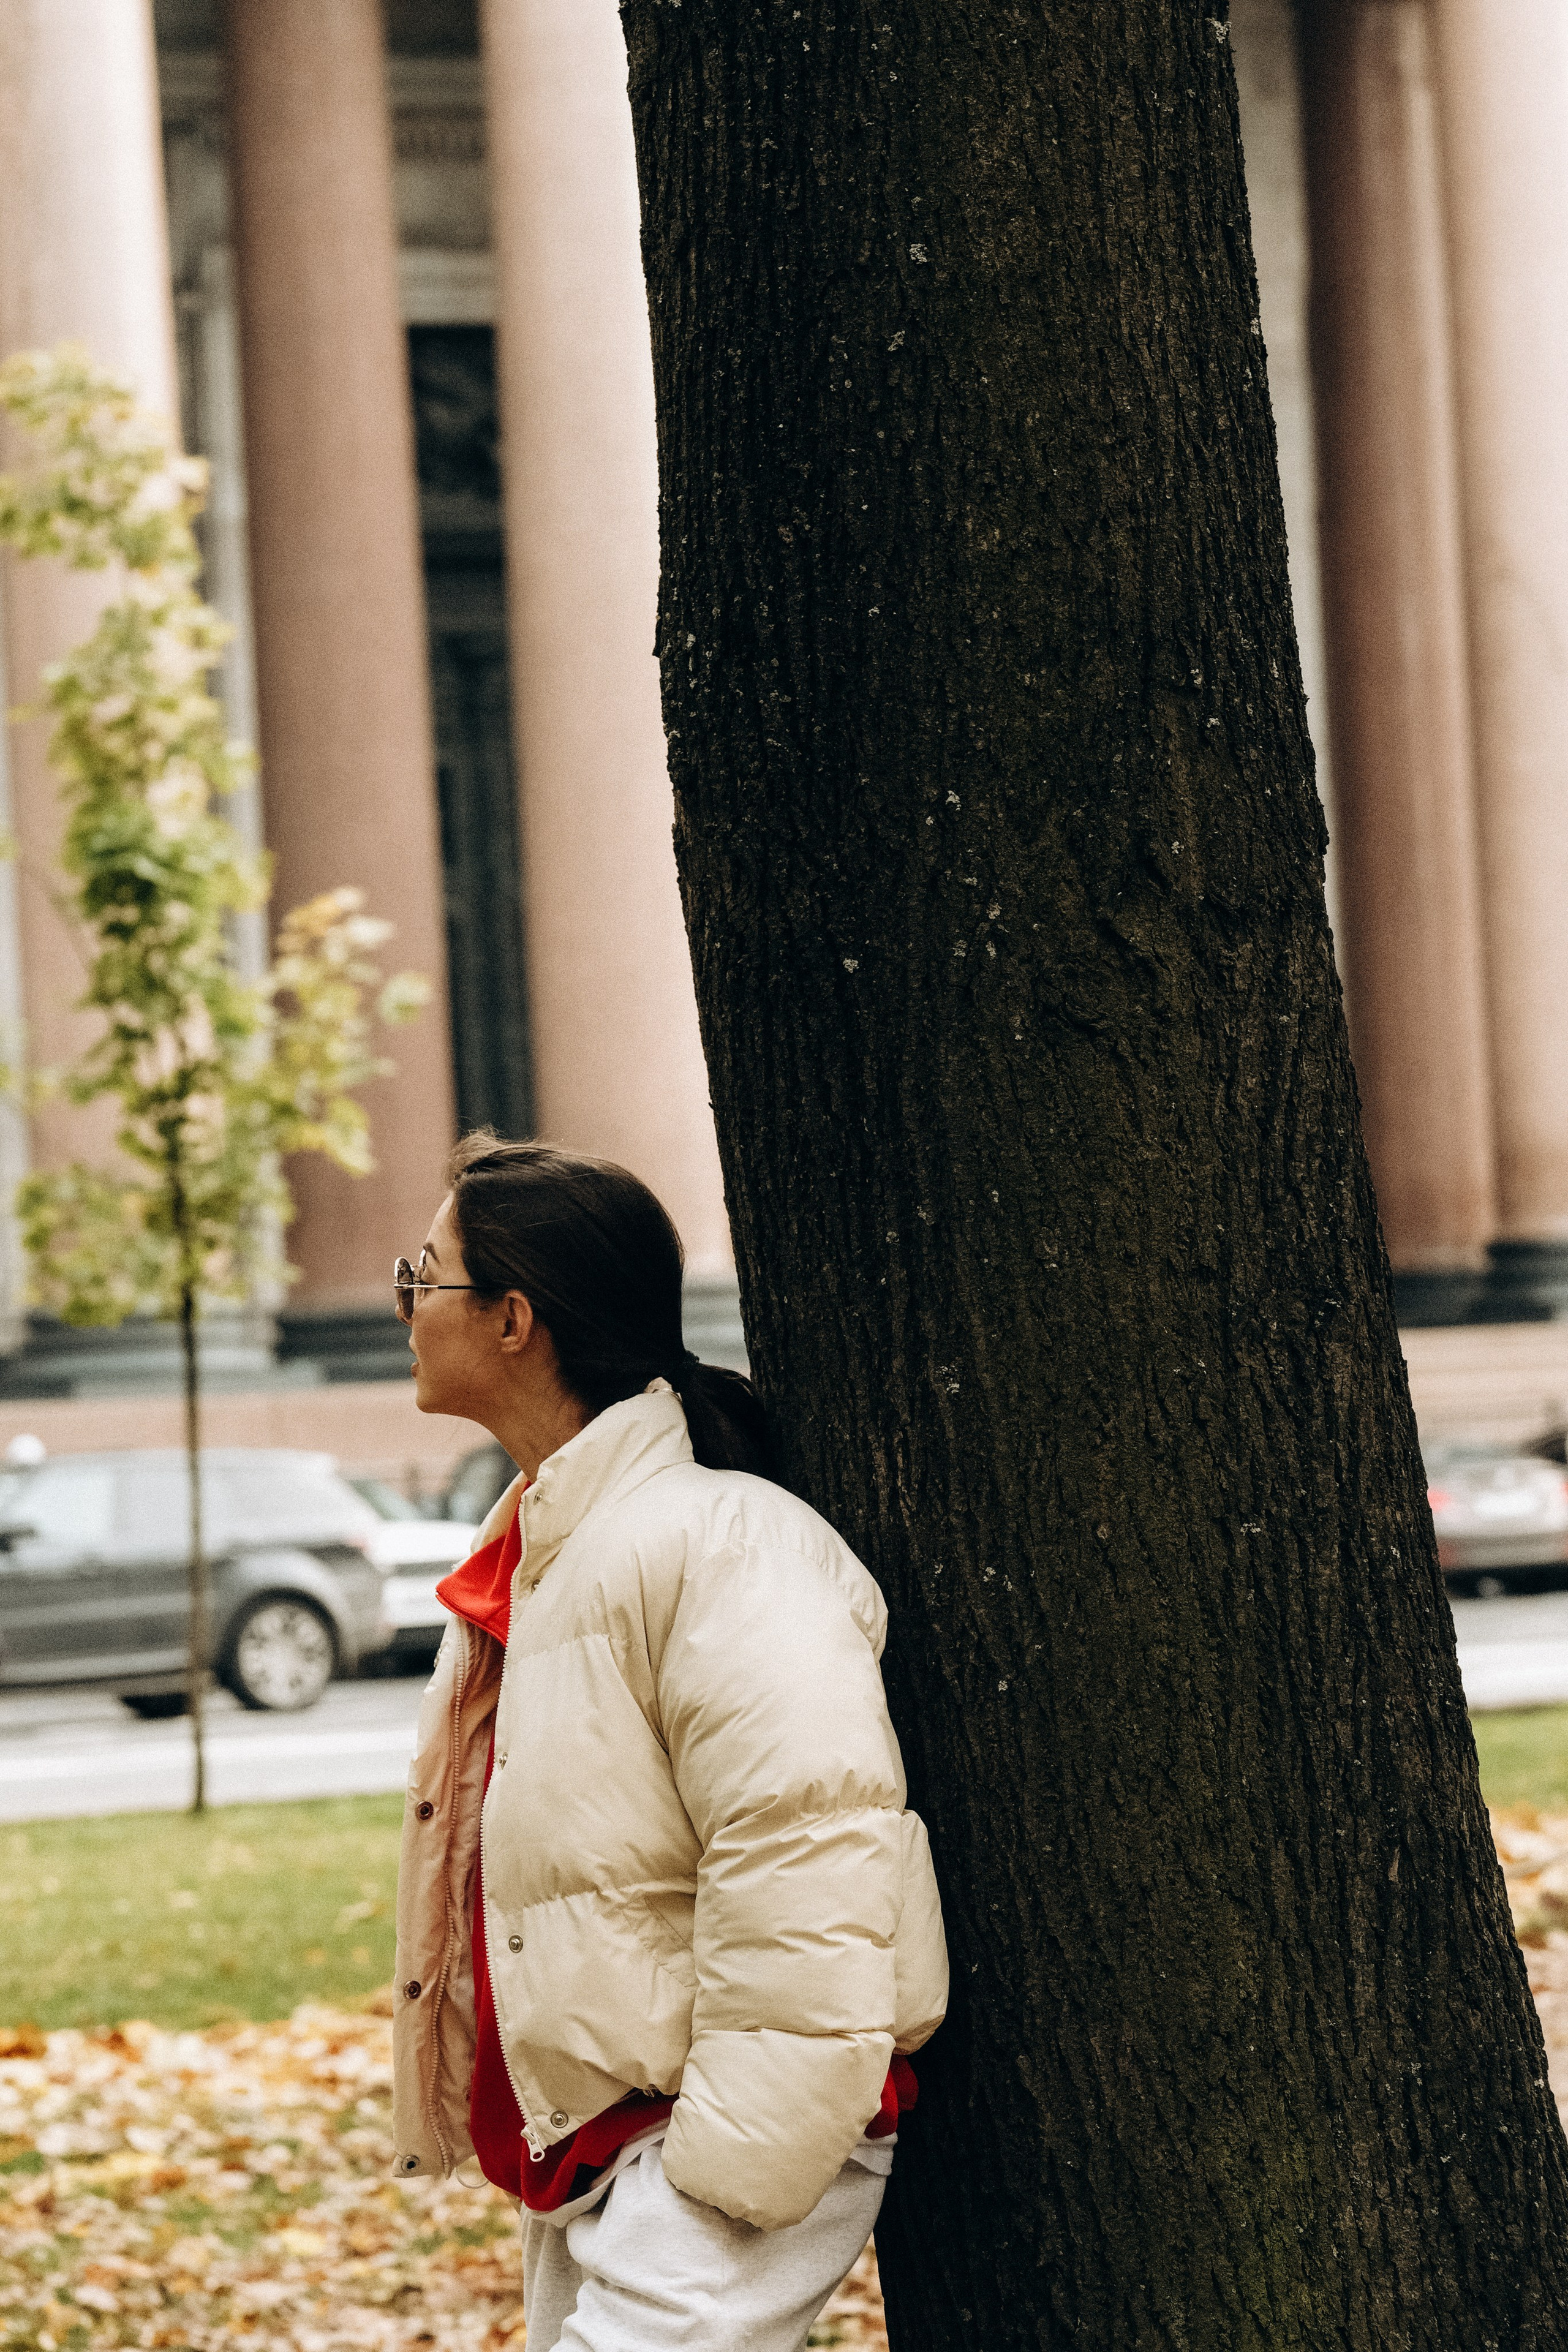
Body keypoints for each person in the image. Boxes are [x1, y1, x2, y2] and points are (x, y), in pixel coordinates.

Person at [390, 1133, 948, 2352]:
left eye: (419, 1279)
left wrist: (725, 2176)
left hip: (709, 2147)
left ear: (512, 1319)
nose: (404, 1309)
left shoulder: (719, 1541)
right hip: (599, 2149)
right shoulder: (538, 1558)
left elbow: (809, 1848)